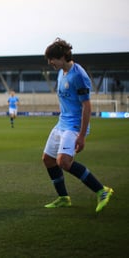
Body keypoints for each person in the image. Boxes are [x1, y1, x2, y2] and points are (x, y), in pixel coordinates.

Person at [42, 38, 113, 213]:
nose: (50, 63)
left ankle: (101, 190)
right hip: (62, 123)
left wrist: (81, 135)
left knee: (64, 162)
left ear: (63, 57)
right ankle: (63, 198)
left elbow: (86, 106)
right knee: (48, 160)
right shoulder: (61, 72)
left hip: (74, 126)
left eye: (52, 59)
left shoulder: (79, 75)